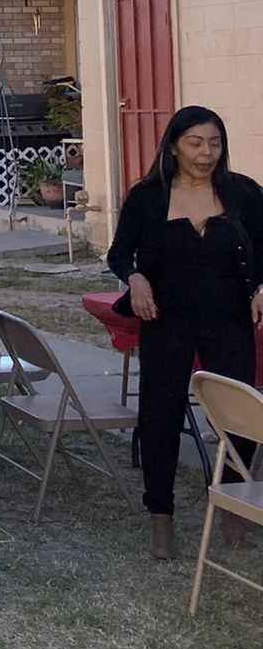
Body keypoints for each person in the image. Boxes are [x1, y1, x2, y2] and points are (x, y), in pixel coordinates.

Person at [105, 105, 263, 559]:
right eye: (195, 142)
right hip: (166, 321)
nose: (206, 152)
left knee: (237, 416)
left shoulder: (242, 194)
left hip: (229, 319)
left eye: (214, 143)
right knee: (161, 416)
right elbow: (120, 254)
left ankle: (236, 506)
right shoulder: (148, 197)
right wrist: (135, 278)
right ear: (174, 145)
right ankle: (161, 515)